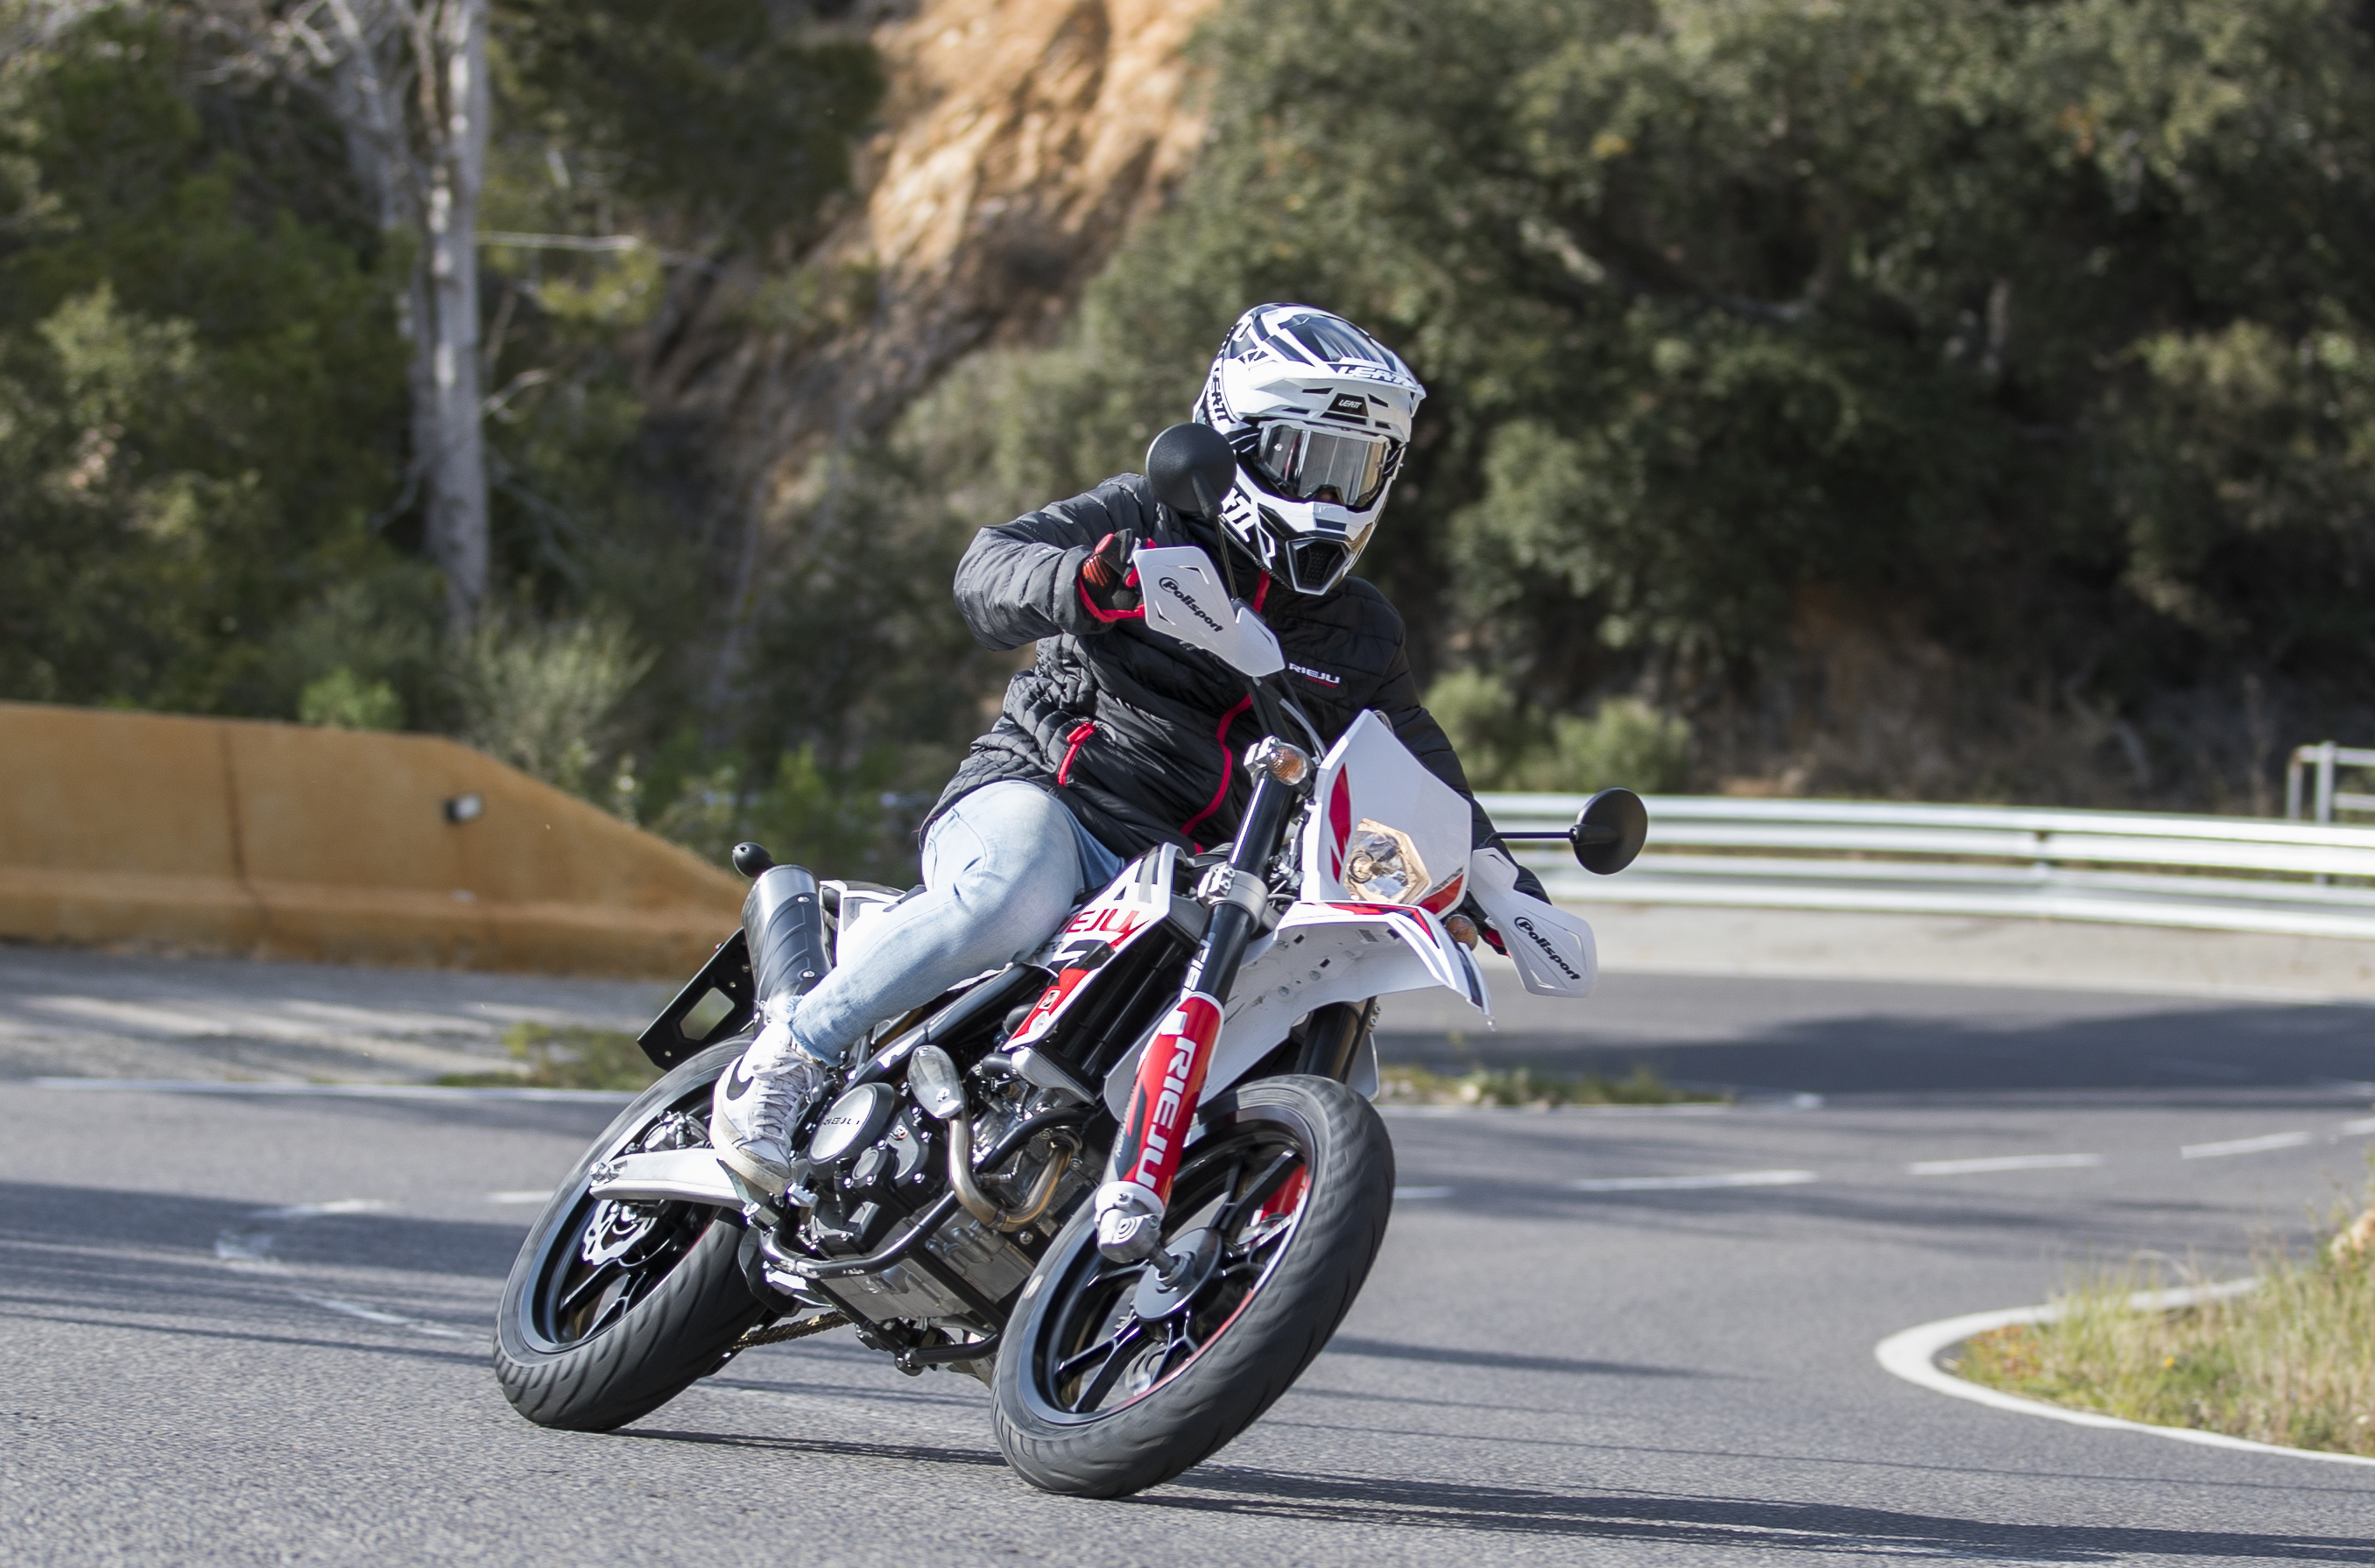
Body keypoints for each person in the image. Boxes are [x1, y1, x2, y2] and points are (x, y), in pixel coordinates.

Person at [711, 302, 1546, 1195]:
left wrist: (1496, 877)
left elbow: (1414, 756)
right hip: (1053, 796)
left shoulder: (1360, 630)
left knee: (1277, 1000)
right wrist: (1085, 580)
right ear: (1234, 441)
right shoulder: (1143, 515)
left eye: (1358, 469)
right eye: (1310, 460)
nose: (1332, 498)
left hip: (1194, 875)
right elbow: (988, 568)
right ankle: (790, 1054)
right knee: (1011, 893)